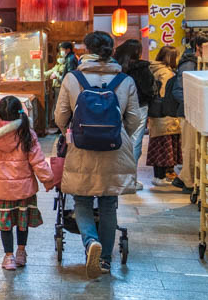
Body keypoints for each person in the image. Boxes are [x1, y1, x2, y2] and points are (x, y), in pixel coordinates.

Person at [55, 31, 143, 278]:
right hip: (114, 151)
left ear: (87, 49)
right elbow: (135, 119)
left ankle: (90, 242)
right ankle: (104, 259)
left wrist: (72, 134)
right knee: (108, 203)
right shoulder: (125, 80)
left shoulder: (73, 78)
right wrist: (116, 134)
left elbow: (60, 116)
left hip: (81, 150)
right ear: (111, 51)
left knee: (81, 200)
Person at [0, 96, 56, 271]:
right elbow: (38, 161)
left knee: (6, 224)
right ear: (20, 113)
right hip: (24, 190)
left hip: (2, 190)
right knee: (22, 222)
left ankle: (8, 257)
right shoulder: (27, 134)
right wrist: (47, 180)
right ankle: (21, 252)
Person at [172, 31, 208, 192]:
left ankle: (184, 178)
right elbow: (178, 91)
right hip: (188, 114)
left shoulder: (206, 62)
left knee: (195, 148)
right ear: (198, 46)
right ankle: (188, 182)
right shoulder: (189, 64)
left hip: (201, 113)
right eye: (207, 45)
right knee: (190, 148)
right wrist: (194, 105)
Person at [113, 39, 155, 193]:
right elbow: (148, 90)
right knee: (135, 142)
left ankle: (116, 178)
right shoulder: (142, 68)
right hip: (139, 106)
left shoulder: (116, 67)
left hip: (117, 106)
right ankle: (130, 180)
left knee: (117, 140)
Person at [147, 46, 183, 187]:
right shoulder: (166, 73)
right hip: (165, 115)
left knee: (158, 144)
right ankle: (160, 177)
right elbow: (165, 96)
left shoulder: (154, 69)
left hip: (156, 114)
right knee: (164, 146)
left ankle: (161, 175)